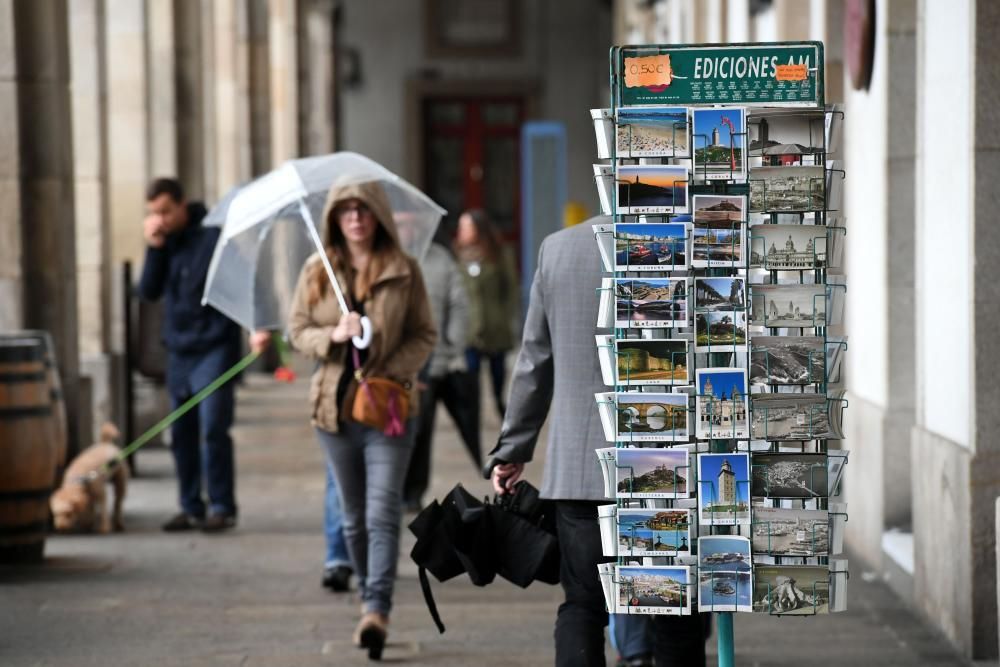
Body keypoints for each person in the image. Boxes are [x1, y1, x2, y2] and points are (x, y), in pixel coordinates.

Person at [484, 217, 706, 667]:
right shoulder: (688, 242)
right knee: (674, 611)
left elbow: (534, 362)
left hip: (581, 471)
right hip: (665, 466)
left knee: (583, 604)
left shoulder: (558, 248)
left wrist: (512, 449)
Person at [287, 181, 436, 661]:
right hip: (333, 411)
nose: (355, 218)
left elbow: (424, 334)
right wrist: (334, 334)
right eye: (347, 211)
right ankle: (368, 589)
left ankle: (376, 608)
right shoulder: (316, 270)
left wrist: (392, 368)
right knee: (352, 519)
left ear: (378, 217)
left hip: (388, 408)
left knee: (382, 511)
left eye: (364, 210)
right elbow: (296, 330)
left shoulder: (404, 270)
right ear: (335, 219)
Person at [138, 178, 242, 533]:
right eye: (154, 213)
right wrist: (153, 247)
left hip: (213, 346)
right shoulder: (164, 244)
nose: (161, 219)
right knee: (181, 431)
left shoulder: (212, 237)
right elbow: (148, 291)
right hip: (179, 350)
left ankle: (222, 505)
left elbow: (238, 283)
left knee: (212, 428)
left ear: (183, 205)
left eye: (166, 211)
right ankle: (190, 505)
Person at [248, 331, 352, 592]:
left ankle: (377, 555)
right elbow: (299, 331)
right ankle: (338, 558)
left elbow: (418, 332)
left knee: (382, 484)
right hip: (334, 388)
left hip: (386, 389)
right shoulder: (322, 289)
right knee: (336, 476)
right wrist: (334, 336)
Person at [403, 240, 474, 512]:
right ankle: (390, 490)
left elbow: (459, 304)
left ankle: (412, 493)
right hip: (388, 366)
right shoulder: (383, 255)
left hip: (429, 363)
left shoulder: (440, 258)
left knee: (420, 431)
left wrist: (451, 345)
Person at [453, 209, 518, 418]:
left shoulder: (499, 254)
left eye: (467, 227)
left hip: (495, 325)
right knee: (471, 373)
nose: (462, 231)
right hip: (470, 327)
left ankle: (499, 403)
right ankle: (474, 410)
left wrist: (506, 317)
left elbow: (511, 289)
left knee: (497, 372)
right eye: (461, 227)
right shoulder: (457, 257)